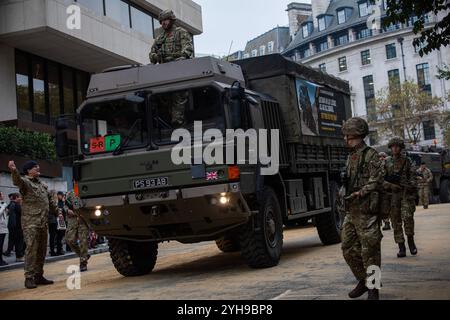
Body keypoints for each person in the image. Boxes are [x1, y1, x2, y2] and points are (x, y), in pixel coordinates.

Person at [341, 117, 384, 300]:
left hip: (367, 210)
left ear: (358, 135)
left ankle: (373, 288)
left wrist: (361, 192)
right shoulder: (350, 157)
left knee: (370, 251)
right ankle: (363, 280)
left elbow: (377, 179)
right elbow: (348, 181)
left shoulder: (371, 155)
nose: (346, 140)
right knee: (348, 247)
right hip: (352, 210)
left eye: (348, 136)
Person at [8, 160, 58, 289]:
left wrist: (58, 212)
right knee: (31, 249)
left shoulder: (42, 185)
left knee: (42, 250)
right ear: (28, 170)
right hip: (31, 223)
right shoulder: (26, 182)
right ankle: (29, 278)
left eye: (37, 166)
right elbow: (17, 181)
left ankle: (38, 275)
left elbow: (50, 202)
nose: (37, 168)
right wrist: (14, 170)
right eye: (34, 167)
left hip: (43, 222)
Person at [149, 10, 193, 127]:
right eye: (162, 21)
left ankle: (178, 124)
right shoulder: (160, 38)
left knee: (179, 99)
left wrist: (179, 60)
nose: (163, 23)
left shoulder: (181, 33)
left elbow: (187, 51)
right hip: (165, 74)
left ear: (171, 19)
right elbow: (151, 55)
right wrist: (157, 56)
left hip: (179, 72)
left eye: (166, 20)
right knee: (166, 101)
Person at [385, 138, 418, 258]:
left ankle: (411, 242)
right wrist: (390, 185)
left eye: (397, 146)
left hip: (405, 194)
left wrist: (410, 185)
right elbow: (380, 179)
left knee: (408, 218)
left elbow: (413, 175)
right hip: (393, 196)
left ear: (401, 147)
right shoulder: (386, 162)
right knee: (395, 221)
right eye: (392, 146)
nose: (395, 148)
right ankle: (401, 247)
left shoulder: (407, 161)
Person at [65, 189, 90, 272]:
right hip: (72, 220)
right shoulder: (70, 193)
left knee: (83, 241)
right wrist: (67, 210)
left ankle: (83, 263)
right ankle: (84, 255)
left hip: (83, 220)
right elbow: (65, 205)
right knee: (70, 240)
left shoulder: (86, 190)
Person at [4, 193, 25, 262]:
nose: (21, 198)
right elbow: (23, 213)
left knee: (16, 241)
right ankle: (19, 256)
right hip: (18, 226)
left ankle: (16, 255)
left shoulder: (11, 204)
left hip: (13, 226)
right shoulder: (17, 205)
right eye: (20, 197)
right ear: (17, 198)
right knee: (19, 242)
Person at [48, 191, 65, 256]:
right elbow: (55, 210)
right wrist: (58, 211)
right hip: (52, 220)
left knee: (59, 235)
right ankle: (52, 251)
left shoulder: (58, 202)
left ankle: (59, 250)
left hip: (58, 220)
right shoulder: (51, 202)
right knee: (52, 236)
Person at [378, 152, 391, 231]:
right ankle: (385, 223)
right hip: (380, 190)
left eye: (383, 156)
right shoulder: (376, 166)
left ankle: (390, 222)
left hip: (388, 189)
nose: (381, 158)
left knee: (389, 207)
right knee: (382, 207)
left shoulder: (389, 166)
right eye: (380, 157)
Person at [0, 192, 9, 266]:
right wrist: (3, 207)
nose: (3, 195)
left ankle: (1, 260)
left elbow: (4, 215)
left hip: (3, 228)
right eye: (2, 194)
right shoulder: (2, 205)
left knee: (1, 245)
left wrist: (6, 211)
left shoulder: (2, 203)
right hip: (0, 228)